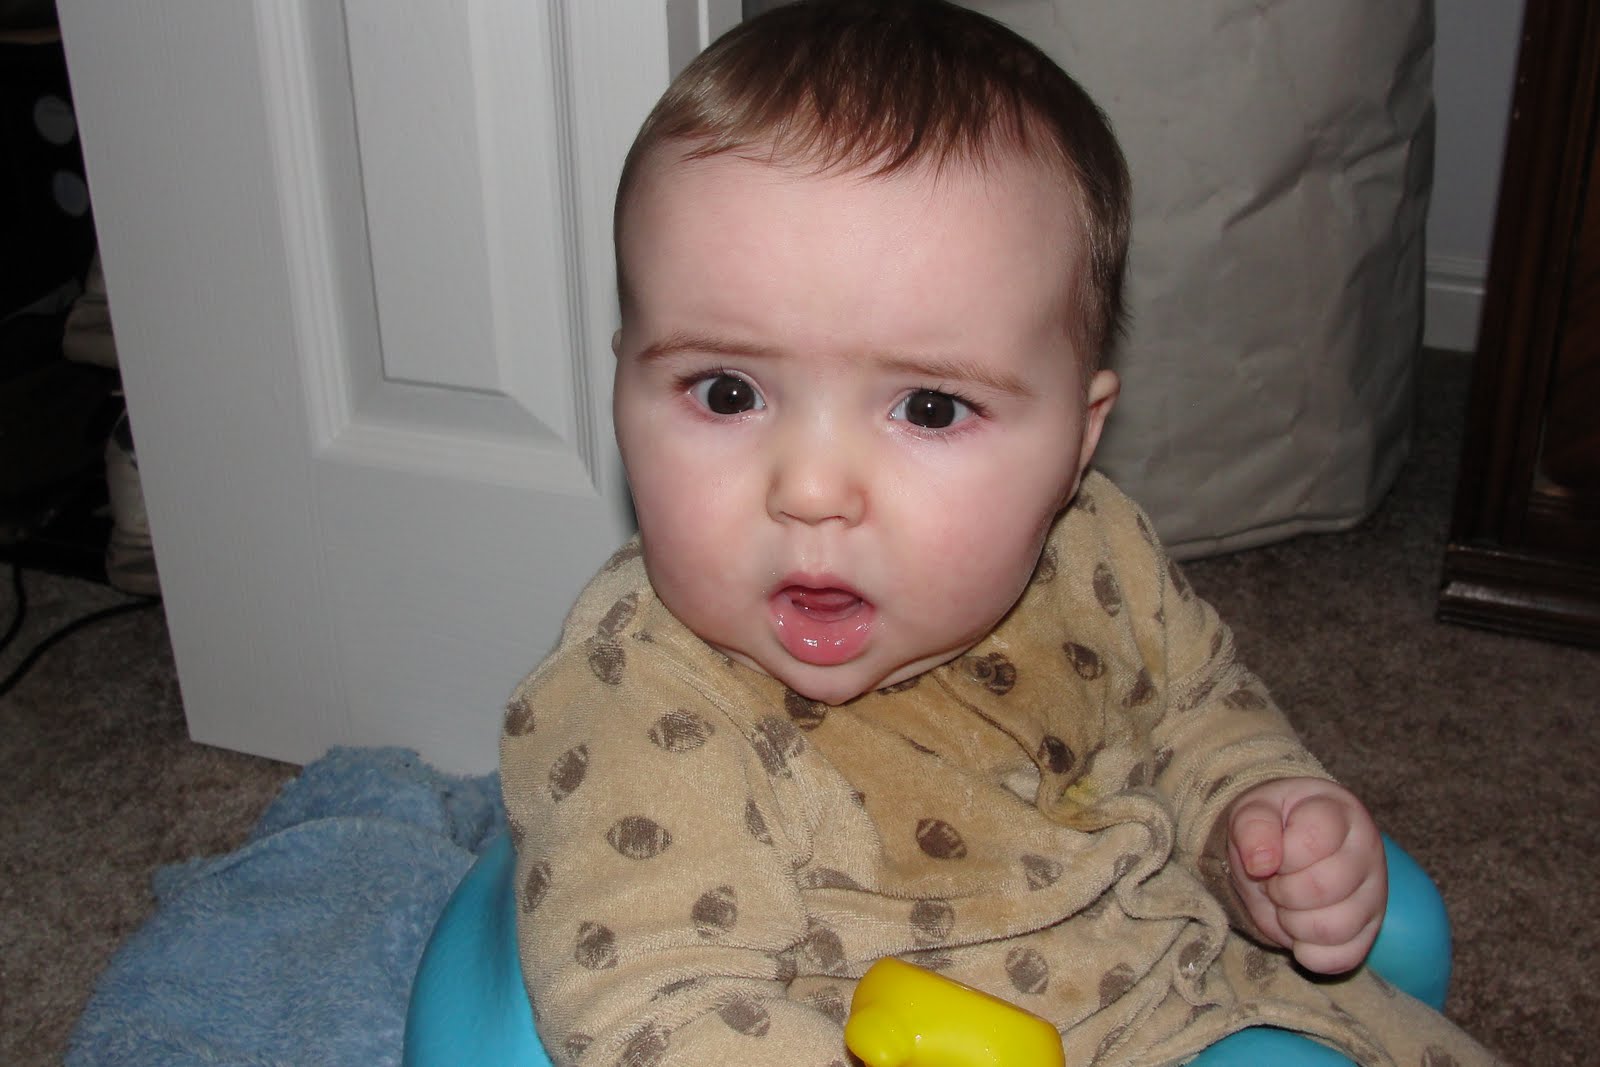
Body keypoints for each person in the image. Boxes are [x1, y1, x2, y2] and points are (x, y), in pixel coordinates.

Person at [500, 2, 1497, 1064]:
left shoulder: (1095, 549)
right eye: (727, 390)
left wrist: (1254, 818)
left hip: (1179, 981)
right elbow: (657, 1002)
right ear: (624, 383)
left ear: (1076, 443)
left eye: (929, 407)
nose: (812, 489)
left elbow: (1194, 703)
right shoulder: (647, 706)